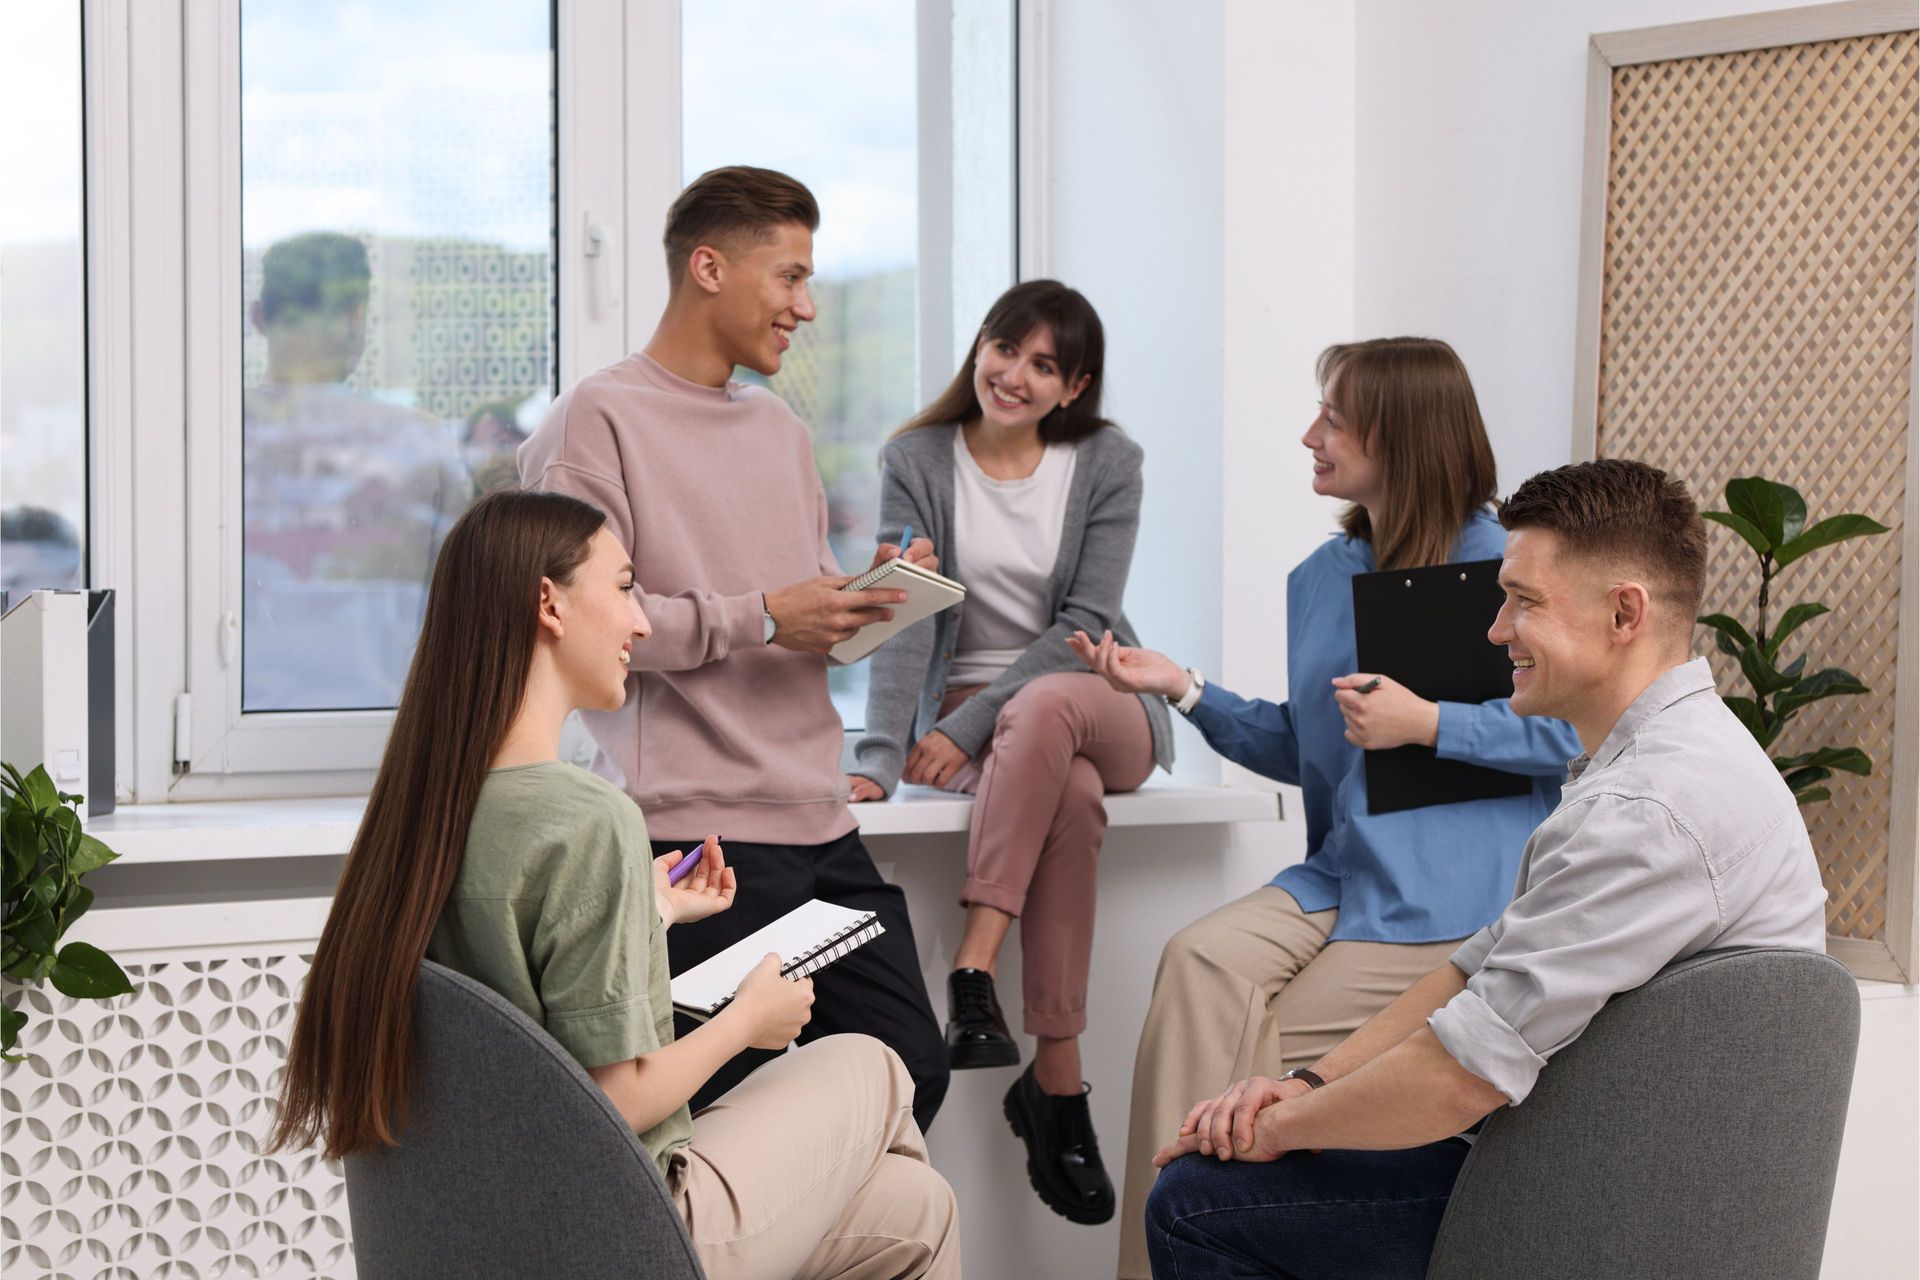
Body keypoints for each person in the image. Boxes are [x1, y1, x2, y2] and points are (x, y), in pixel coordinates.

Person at [1138, 458, 1829, 1279]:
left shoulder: (1650, 810)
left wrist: (1274, 1130)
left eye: (1524, 601)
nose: (1498, 629)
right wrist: (1306, 1083)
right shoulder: (1656, 768)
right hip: (1602, 1164)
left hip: (1602, 1206)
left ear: (1624, 612)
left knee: (1198, 1203)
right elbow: (1472, 970)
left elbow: (1465, 1074)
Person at [270, 489, 961, 1280]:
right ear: (549, 604)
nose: (641, 623)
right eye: (626, 587)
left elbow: (514, 985)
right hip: (625, 1227)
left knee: (915, 1206)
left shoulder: (427, 807)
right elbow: (619, 1098)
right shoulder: (589, 817)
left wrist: (652, 909)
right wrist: (749, 1020)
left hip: (499, 1226)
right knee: (873, 1062)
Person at [1070, 337, 1583, 1278]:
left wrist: (1429, 723)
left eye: (1333, 419)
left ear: (1404, 434)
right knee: (1197, 964)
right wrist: (1181, 688)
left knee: (1256, 1044)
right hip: (1341, 876)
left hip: (1454, 895)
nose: (1311, 435)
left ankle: (1218, 1236)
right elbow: (1307, 747)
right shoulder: (1322, 576)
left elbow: (1573, 733)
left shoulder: (1505, 568)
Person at [517, 165, 950, 1130]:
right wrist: (761, 614)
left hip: (821, 820)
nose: (806, 307)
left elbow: (791, 619)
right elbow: (589, 629)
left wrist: (865, 601)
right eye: (789, 278)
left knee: (909, 1067)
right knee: (711, 1101)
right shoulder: (599, 419)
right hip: (700, 839)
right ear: (709, 268)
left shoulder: (781, 430)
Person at [849, 280, 1174, 1225]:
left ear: (1075, 386)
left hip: (1096, 690)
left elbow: (1086, 619)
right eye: (1004, 349)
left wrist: (967, 725)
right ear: (978, 348)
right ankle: (1059, 1083)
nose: (1014, 375)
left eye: (1043, 365)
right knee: (1066, 796)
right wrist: (879, 751)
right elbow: (899, 608)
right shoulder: (917, 457)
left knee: (1046, 719)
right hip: (998, 728)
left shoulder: (1109, 462)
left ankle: (974, 967)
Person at [243, 231, 470, 710]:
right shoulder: (418, 442)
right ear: (356, 321)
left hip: (230, 731)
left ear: (258, 317)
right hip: (389, 728)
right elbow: (463, 606)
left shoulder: (212, 440)